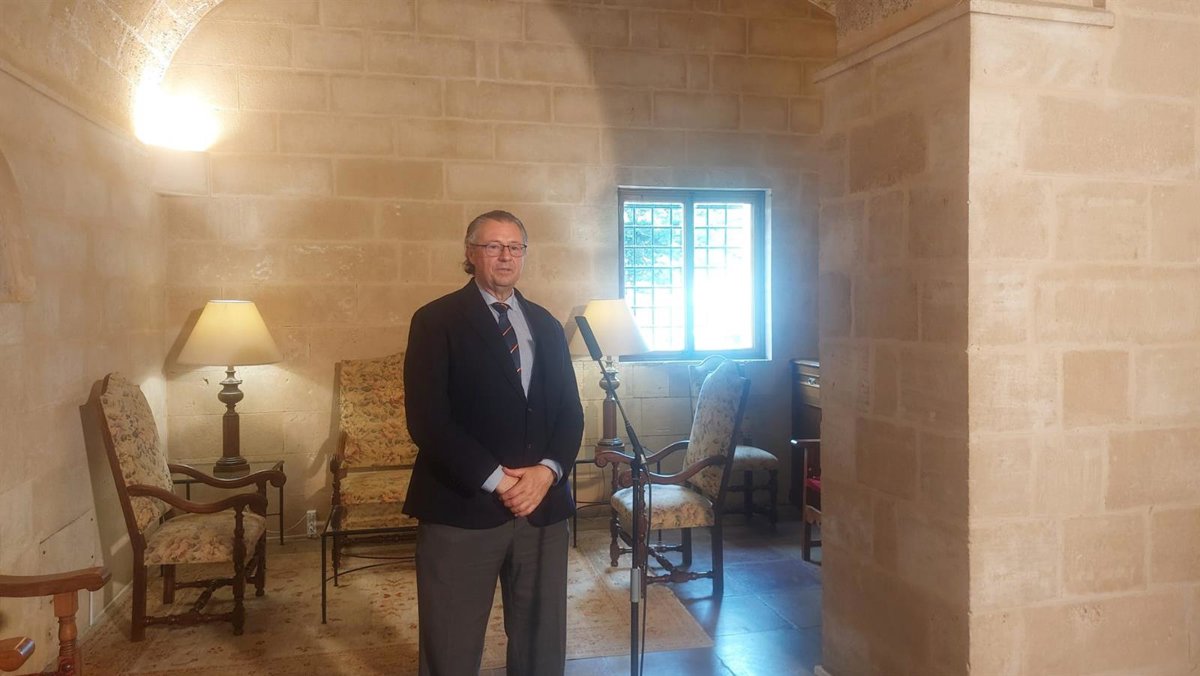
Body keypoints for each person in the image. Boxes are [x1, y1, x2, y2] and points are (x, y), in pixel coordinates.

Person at [403, 210, 585, 676]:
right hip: (462, 507)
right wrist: (498, 481)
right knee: (451, 646)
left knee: (542, 647)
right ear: (471, 253)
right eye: (493, 246)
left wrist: (547, 472)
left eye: (514, 247)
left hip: (541, 509)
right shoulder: (435, 320)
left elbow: (570, 411)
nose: (505, 256)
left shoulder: (546, 324)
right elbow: (428, 420)